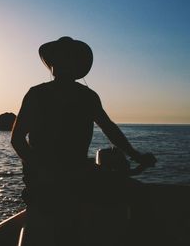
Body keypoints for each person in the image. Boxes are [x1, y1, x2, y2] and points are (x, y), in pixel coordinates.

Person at [11, 37, 156, 245]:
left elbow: (110, 129)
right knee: (67, 220)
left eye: (65, 57)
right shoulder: (36, 95)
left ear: (74, 64)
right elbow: (17, 139)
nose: (59, 62)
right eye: (56, 58)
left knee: (139, 194)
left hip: (79, 175)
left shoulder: (87, 97)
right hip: (45, 182)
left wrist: (135, 155)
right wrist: (42, 171)